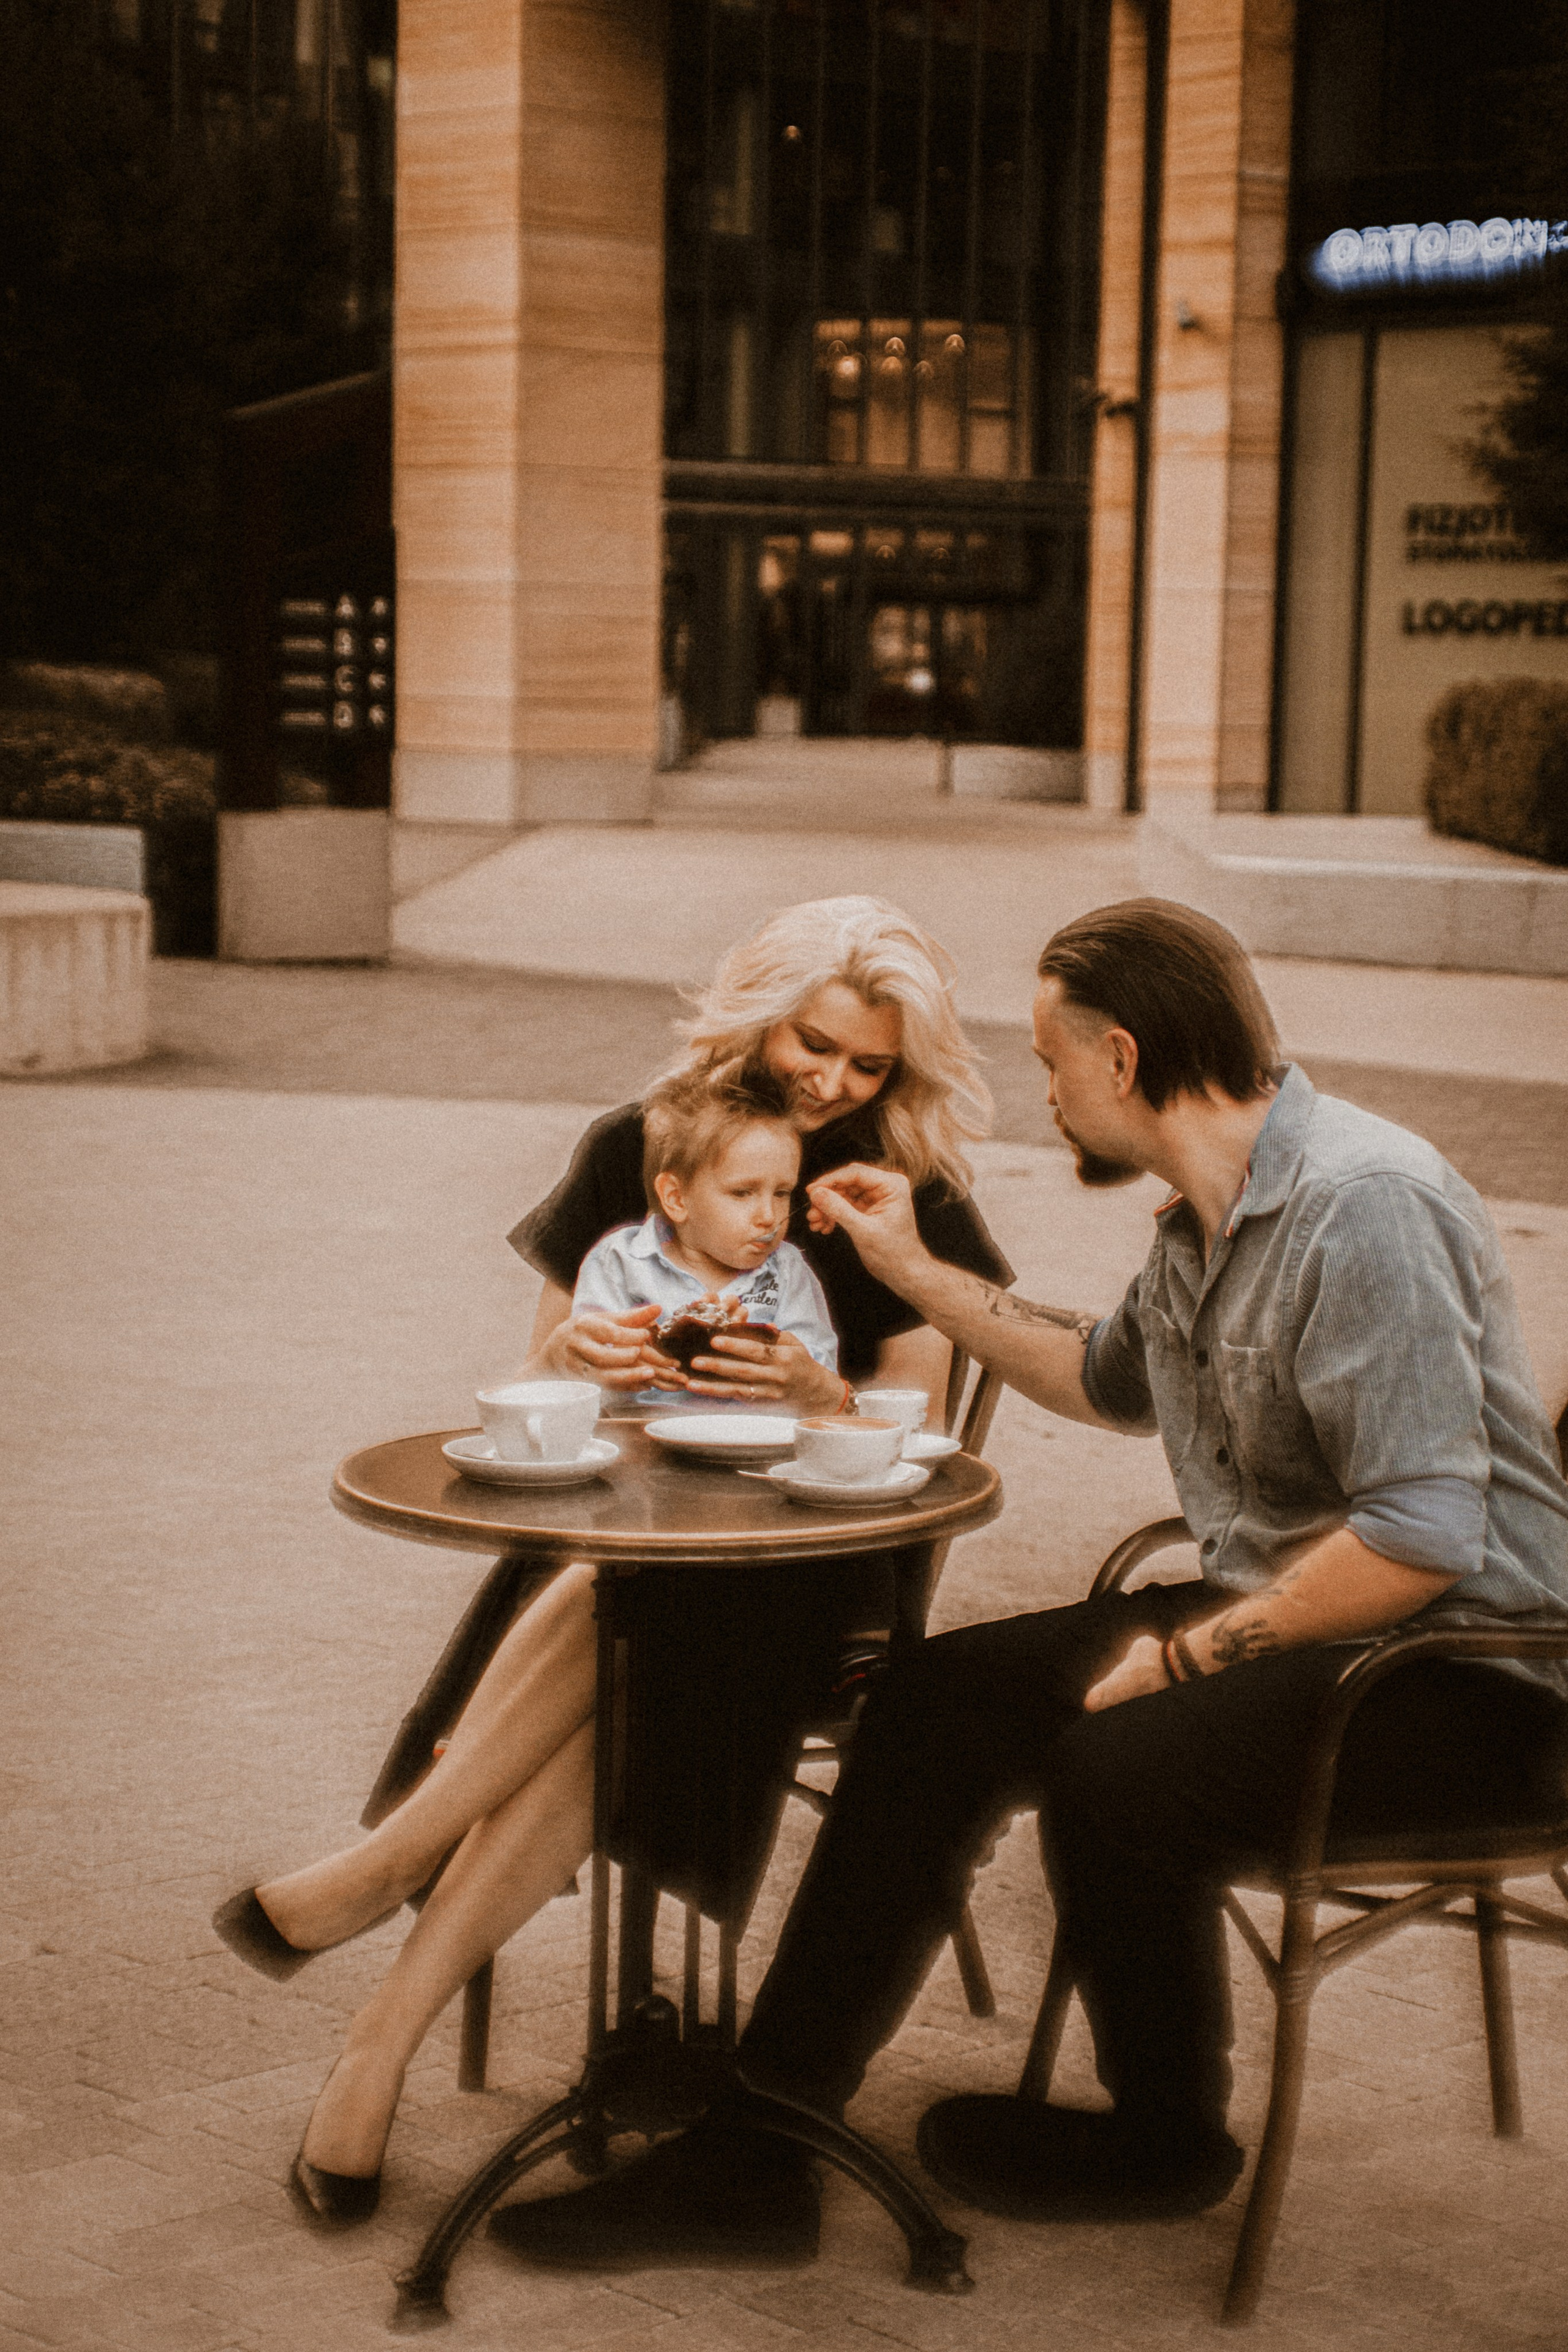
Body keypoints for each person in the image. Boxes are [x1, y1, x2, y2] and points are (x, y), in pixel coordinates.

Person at [489, 896, 1568, 2271]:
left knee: (1117, 1761)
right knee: (938, 1699)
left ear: (1117, 1059)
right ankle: (757, 2153)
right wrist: (905, 1269)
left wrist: (1186, 1655)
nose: (1044, 1095)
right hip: (1309, 1621)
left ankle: (1160, 2135)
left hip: (1461, 1683)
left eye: (1054, 1062)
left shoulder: (1363, 1206)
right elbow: (1093, 1375)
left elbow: (1419, 1537)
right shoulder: (1201, 1220)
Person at [209, 895, 1011, 2223]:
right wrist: (573, 1357)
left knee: (630, 1618)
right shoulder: (641, 1151)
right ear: (760, 1009)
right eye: (815, 1043)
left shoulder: (892, 1189)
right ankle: (376, 2038)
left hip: (821, 1561)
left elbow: (912, 1426)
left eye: (869, 1065)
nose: (832, 1083)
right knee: (629, 1615)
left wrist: (820, 1394)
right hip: (624, 1531)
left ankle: (382, 1917)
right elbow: (532, 1386)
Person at [570, 1066, 839, 1405]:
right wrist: (644, 1352)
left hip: (754, 1445)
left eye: (782, 1192)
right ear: (677, 1198)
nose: (769, 1216)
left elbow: (819, 1371)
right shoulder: (621, 1260)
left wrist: (762, 1352)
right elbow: (587, 1363)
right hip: (640, 1441)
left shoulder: (785, 1270)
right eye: (742, 1193)